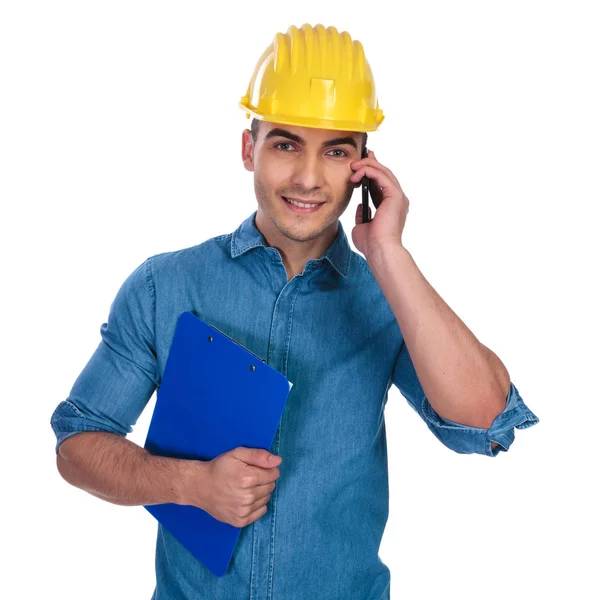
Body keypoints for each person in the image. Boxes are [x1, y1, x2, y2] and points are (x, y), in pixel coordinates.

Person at [50, 23, 539, 600]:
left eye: (335, 151)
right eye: (286, 144)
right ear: (247, 148)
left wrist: (387, 252)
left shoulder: (390, 298)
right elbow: (79, 442)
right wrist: (191, 484)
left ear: (363, 166)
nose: (309, 177)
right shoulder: (165, 286)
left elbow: (486, 424)